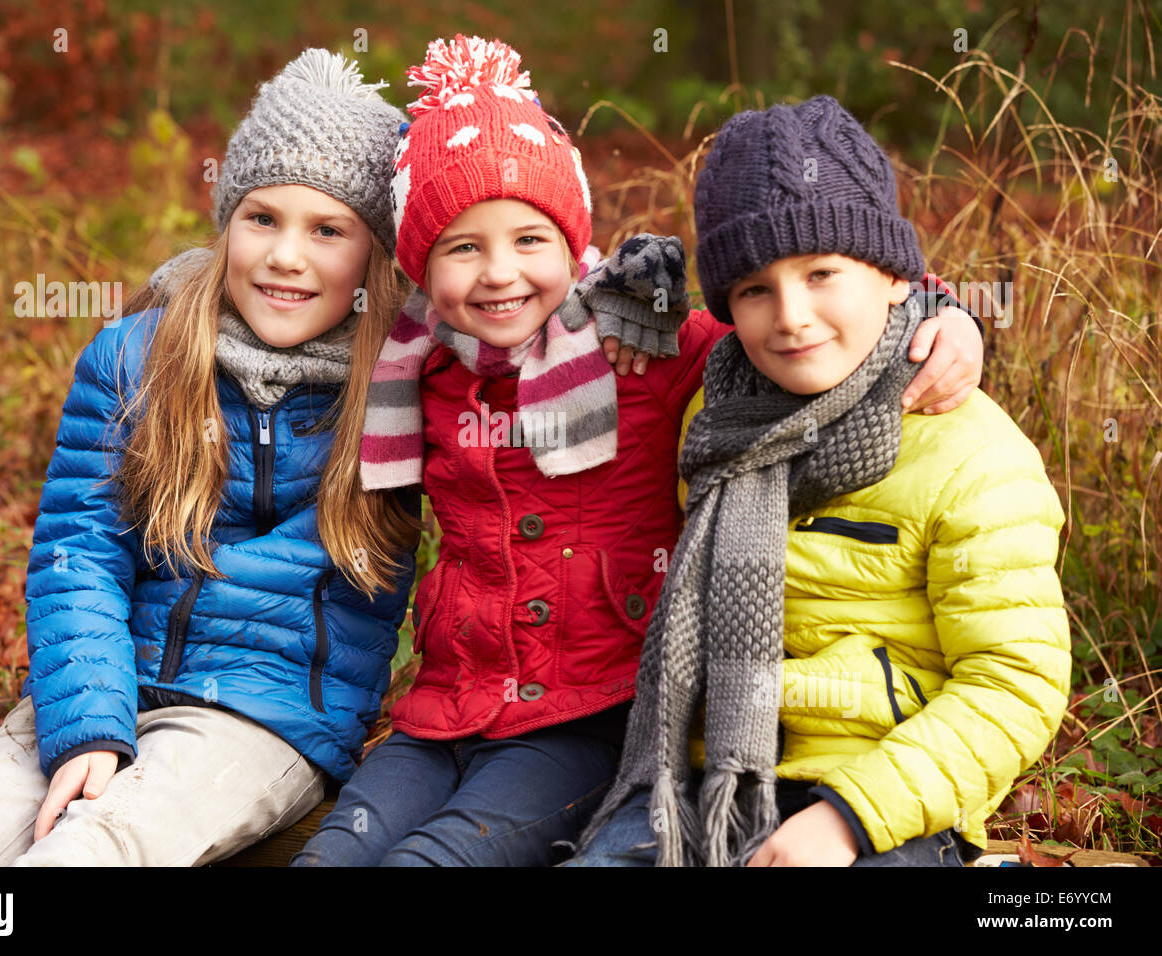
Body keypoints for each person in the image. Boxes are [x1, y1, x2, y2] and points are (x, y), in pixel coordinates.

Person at [293, 37, 985, 867]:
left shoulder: (642, 347)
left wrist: (949, 314)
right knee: (334, 853)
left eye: (527, 239)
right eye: (461, 247)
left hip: (594, 707)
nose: (498, 273)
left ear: (570, 238)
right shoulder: (418, 369)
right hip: (448, 703)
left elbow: (792, 330)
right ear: (418, 265)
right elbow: (284, 314)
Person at [0, 50, 420, 866]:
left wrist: (627, 296)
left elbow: (520, 305)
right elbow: (79, 550)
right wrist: (89, 722)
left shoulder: (403, 380)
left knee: (97, 848)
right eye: (261, 218)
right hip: (102, 678)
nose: (285, 255)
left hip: (264, 714)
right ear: (226, 220)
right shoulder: (138, 356)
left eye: (328, 230)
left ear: (375, 256)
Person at [567, 94, 1071, 867]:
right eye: (756, 289)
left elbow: (1016, 683)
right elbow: (547, 306)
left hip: (884, 799)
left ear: (901, 278)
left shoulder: (972, 455)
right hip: (707, 778)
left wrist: (850, 818)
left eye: (823, 272)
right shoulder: (714, 409)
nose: (792, 316)